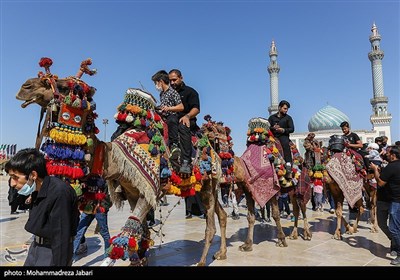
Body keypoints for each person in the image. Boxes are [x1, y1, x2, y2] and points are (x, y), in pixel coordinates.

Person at [5, 148, 79, 266]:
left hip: (51, 252)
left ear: (33, 175)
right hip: (36, 247)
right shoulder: (36, 189)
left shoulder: (59, 193)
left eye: (15, 177)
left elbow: (61, 236)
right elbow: (15, 202)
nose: (12, 183)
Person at [370, 146, 400, 265]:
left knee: (394, 228)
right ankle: (394, 242)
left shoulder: (390, 167)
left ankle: (397, 250)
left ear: (393, 155)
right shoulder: (386, 164)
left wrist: (375, 170)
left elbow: (381, 182)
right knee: (383, 224)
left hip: (394, 201)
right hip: (385, 200)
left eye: (387, 153)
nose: (385, 154)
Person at [168, 69, 201, 174]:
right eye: (170, 81)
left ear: (181, 78)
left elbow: (196, 109)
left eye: (174, 80)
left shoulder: (190, 92)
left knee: (183, 126)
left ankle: (185, 162)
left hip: (187, 120)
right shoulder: (168, 94)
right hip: (172, 120)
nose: (172, 83)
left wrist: (187, 116)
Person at [73, 183, 112, 262]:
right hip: (88, 208)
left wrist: (103, 208)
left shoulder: (102, 180)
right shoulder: (86, 179)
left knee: (104, 232)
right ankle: (70, 257)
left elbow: (106, 196)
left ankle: (108, 256)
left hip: (100, 208)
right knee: (79, 231)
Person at [151, 70, 184, 161]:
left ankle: (174, 145)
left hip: (172, 116)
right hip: (163, 116)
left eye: (156, 83)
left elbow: (181, 107)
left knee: (172, 120)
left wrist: (169, 108)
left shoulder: (173, 92)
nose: (156, 86)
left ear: (161, 82)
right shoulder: (161, 94)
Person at [268, 100, 295, 174]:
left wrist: (283, 130)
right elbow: (268, 127)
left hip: (283, 136)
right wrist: (274, 128)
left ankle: (288, 163)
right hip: (273, 137)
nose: (286, 110)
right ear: (279, 108)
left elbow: (292, 129)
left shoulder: (288, 118)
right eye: (284, 108)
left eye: (287, 109)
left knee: (285, 144)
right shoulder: (272, 118)